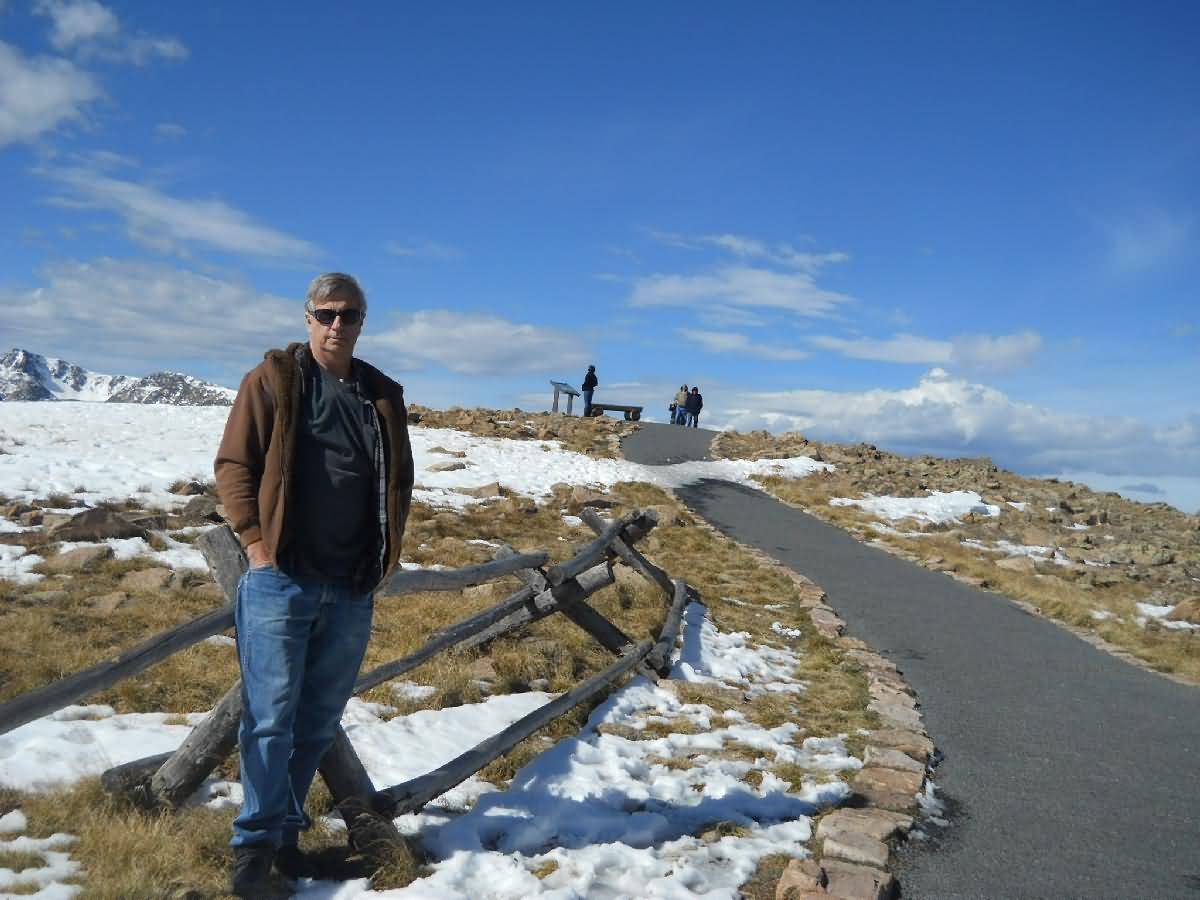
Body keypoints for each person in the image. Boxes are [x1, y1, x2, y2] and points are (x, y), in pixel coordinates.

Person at [214, 272, 414, 896]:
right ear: (307, 318)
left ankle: (285, 840)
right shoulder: (274, 380)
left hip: (351, 586)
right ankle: (253, 847)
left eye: (348, 315)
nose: (336, 325)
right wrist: (255, 544)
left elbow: (397, 481)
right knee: (270, 718)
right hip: (283, 580)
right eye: (326, 314)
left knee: (317, 722)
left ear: (361, 323)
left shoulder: (381, 395)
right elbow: (234, 464)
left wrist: (383, 560)